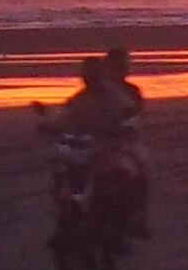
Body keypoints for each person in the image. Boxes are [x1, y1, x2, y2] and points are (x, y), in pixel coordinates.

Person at [60, 45, 151, 244]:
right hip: (91, 143)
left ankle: (138, 217)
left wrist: (126, 125)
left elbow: (133, 114)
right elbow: (66, 119)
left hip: (118, 143)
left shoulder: (121, 94)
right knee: (67, 170)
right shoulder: (80, 99)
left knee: (137, 173)